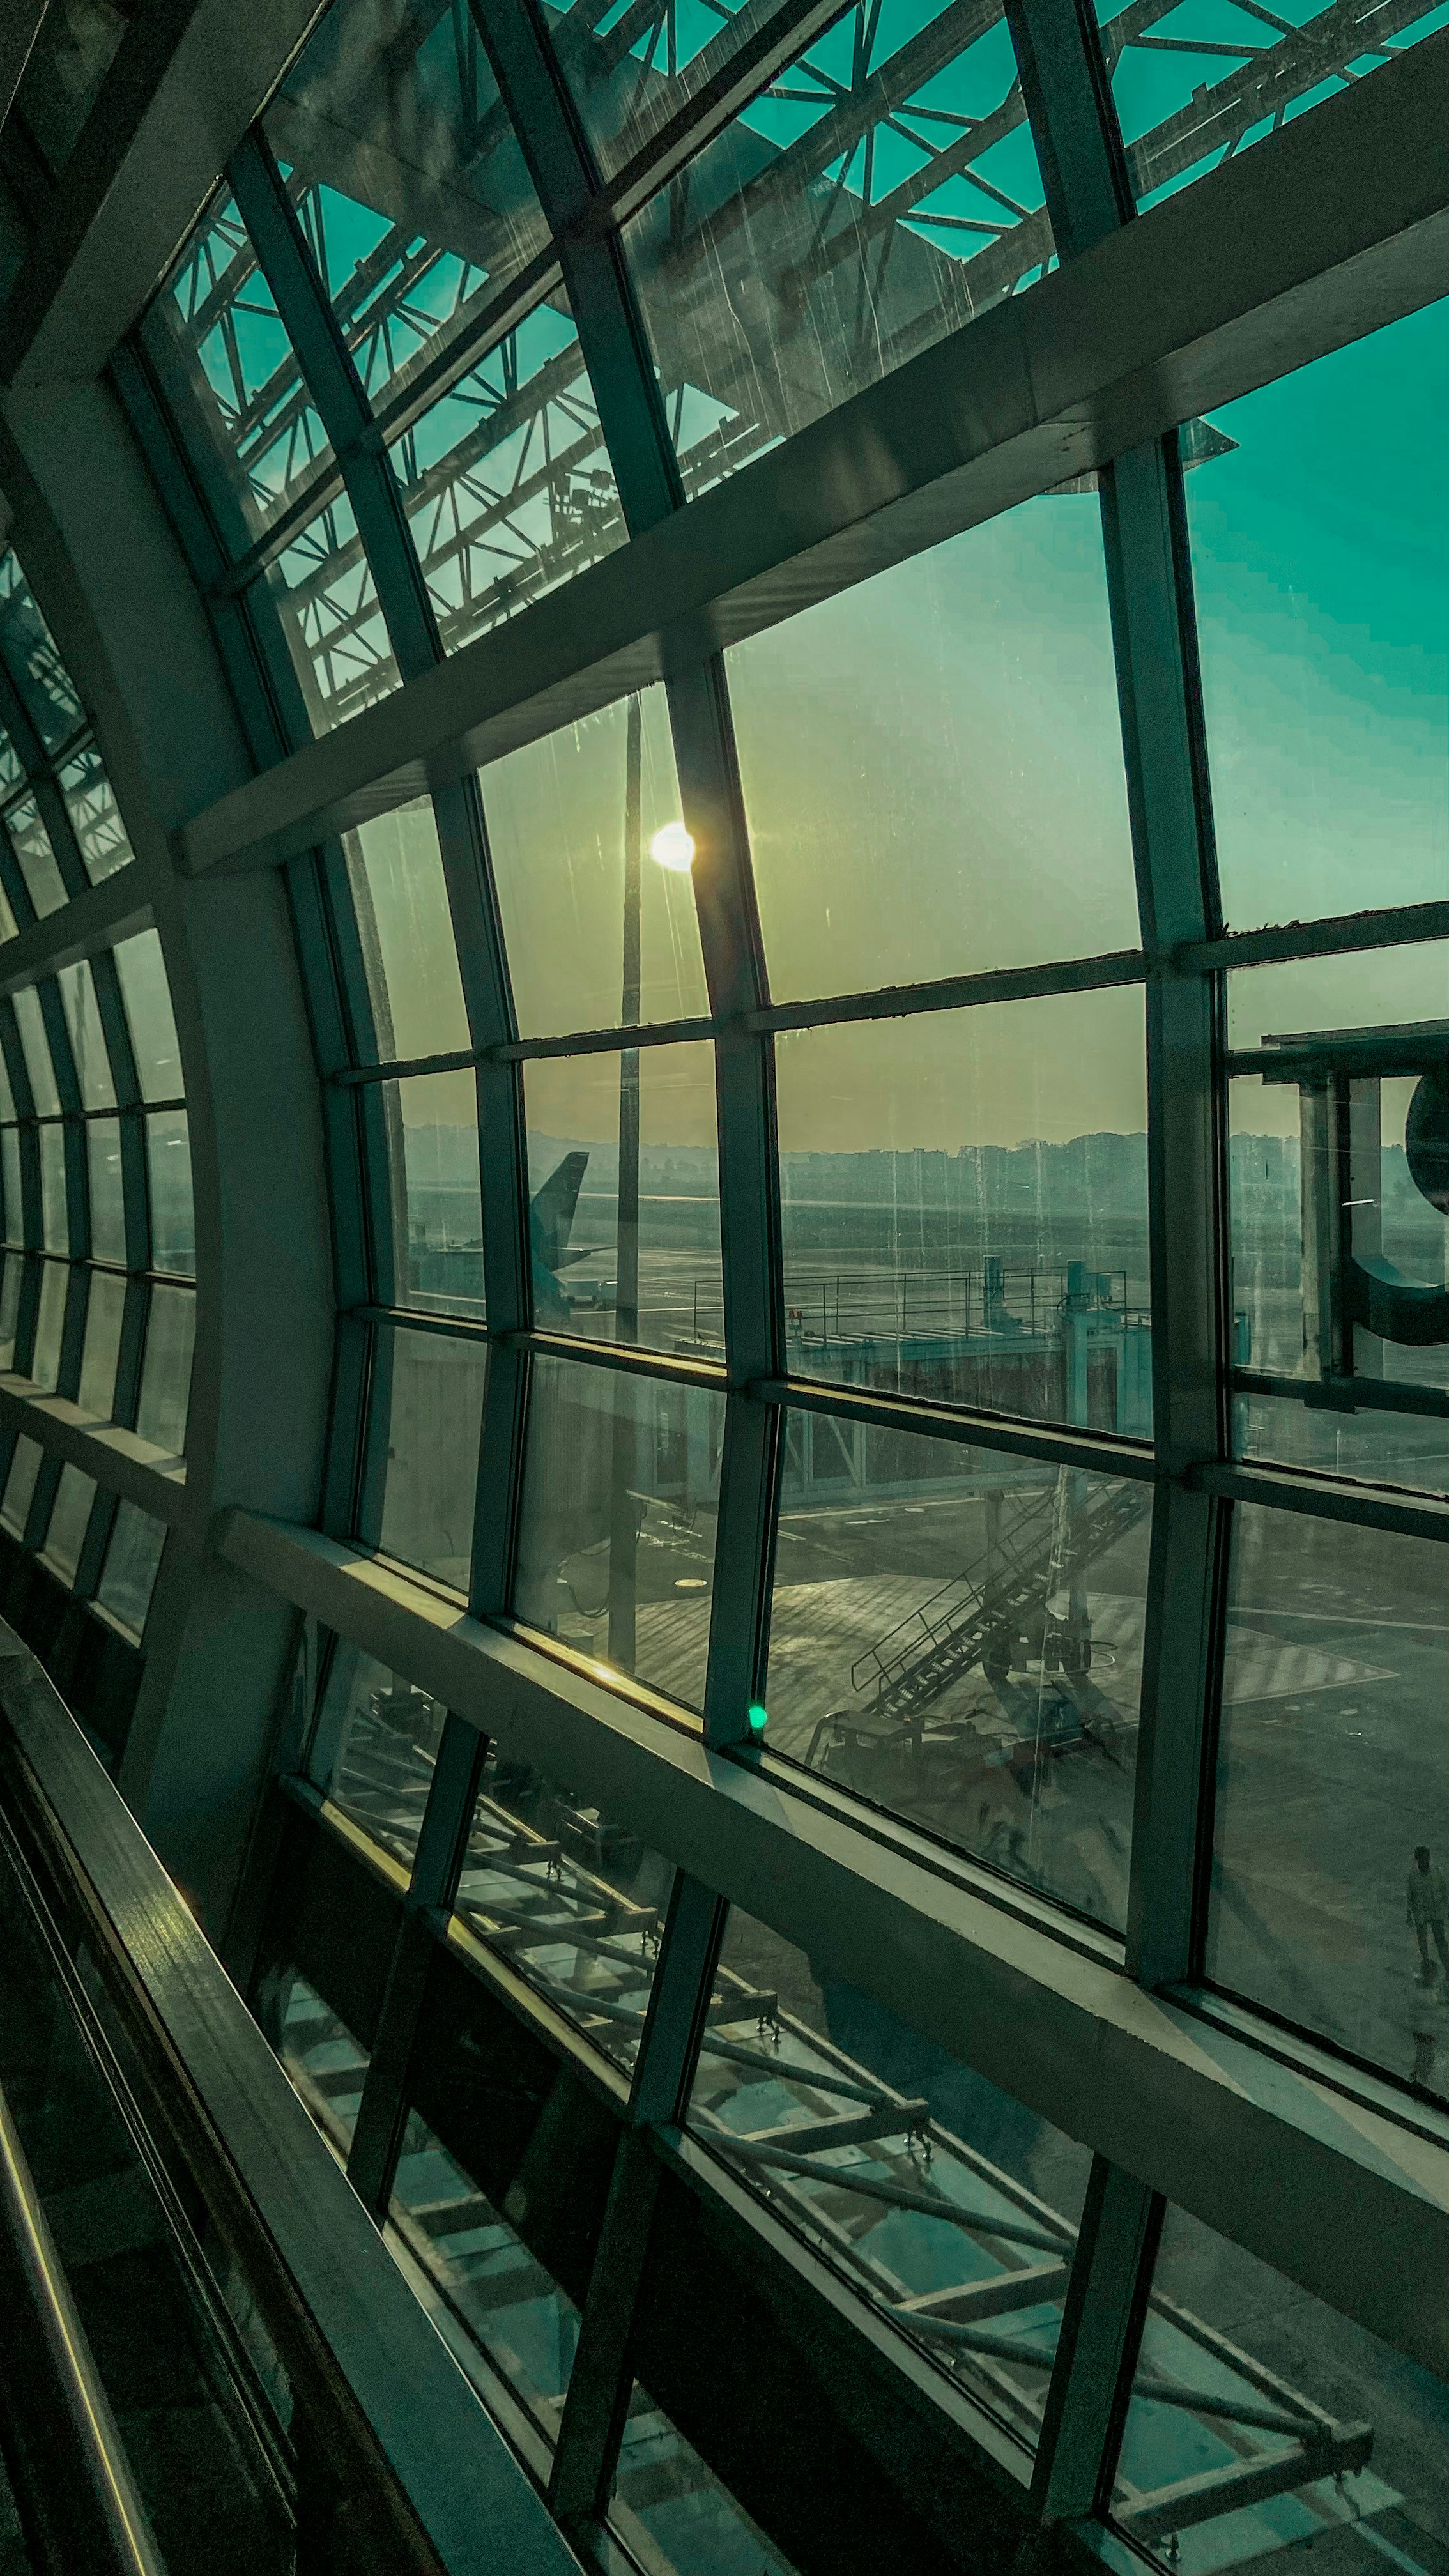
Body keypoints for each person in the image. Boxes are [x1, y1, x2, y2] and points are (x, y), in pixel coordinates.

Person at [1407, 1846, 1449, 1981]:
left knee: (1440, 1940)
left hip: (1436, 1911)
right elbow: (1410, 1896)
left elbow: (1444, 1890)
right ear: (1418, 1860)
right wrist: (1409, 1914)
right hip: (1421, 1913)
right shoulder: (1413, 1877)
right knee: (1423, 1940)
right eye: (1423, 1858)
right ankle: (1426, 1966)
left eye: (1427, 1858)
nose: (1425, 1861)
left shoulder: (1436, 1872)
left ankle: (1447, 1968)